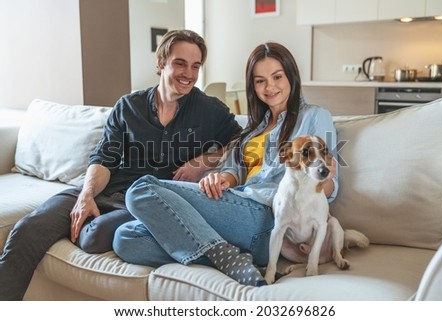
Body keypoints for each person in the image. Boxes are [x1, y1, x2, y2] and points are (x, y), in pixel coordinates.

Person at [0, 29, 242, 300]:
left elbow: (242, 139)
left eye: (196, 66)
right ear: (161, 62)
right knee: (27, 229)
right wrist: (86, 195)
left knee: (93, 236)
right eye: (180, 63)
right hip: (106, 188)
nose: (189, 73)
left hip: (145, 201)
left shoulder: (209, 110)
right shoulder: (129, 106)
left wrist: (203, 162)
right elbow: (103, 158)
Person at [112, 42, 338, 287]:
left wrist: (323, 178)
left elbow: (330, 186)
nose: (270, 87)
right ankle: (232, 257)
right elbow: (235, 171)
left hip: (269, 217)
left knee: (141, 189)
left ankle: (228, 256)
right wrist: (222, 178)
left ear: (291, 76)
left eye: (277, 77)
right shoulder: (255, 127)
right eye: (260, 80)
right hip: (235, 207)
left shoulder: (315, 117)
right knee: (126, 238)